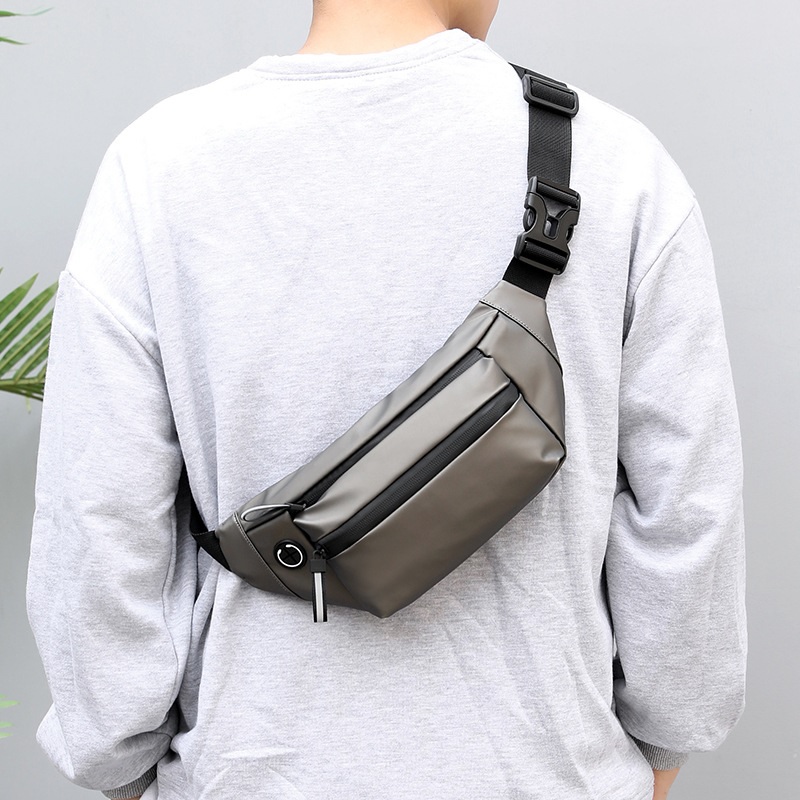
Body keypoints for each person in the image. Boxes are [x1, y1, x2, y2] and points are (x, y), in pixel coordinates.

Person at [26, 1, 747, 799]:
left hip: (249, 772)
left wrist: (120, 762)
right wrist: (664, 747)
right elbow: (688, 515)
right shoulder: (618, 164)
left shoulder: (156, 168)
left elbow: (98, 519)